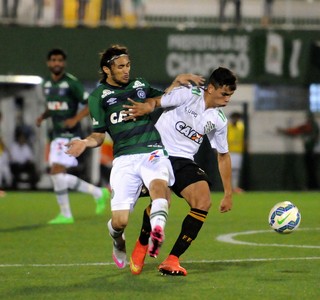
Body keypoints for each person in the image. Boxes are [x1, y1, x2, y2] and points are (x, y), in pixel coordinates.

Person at [65, 44, 204, 270]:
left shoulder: (140, 85)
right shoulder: (98, 97)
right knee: (120, 222)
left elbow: (163, 100)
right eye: (120, 67)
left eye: (128, 65)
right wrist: (84, 142)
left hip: (152, 150)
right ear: (107, 70)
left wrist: (177, 82)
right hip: (124, 159)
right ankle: (117, 241)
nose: (126, 70)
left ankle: (156, 233)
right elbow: (98, 136)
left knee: (160, 190)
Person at [123, 67, 236, 276]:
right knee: (163, 202)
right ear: (210, 88)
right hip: (158, 153)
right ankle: (141, 244)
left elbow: (223, 155)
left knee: (203, 201)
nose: (227, 99)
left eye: (230, 95)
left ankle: (172, 260)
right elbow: (157, 101)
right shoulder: (187, 94)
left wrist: (228, 193)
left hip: (184, 161)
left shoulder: (219, 119)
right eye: (224, 93)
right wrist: (147, 107)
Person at [36, 48, 110, 225]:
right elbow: (53, 106)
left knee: (56, 172)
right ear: (48, 63)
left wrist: (74, 118)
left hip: (70, 135)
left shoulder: (71, 83)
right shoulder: (47, 84)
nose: (57, 63)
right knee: (57, 175)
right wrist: (43, 116)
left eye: (60, 60)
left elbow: (89, 104)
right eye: (53, 60)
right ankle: (98, 193)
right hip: (55, 135)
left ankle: (67, 214)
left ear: (64, 63)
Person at [278, 111, 319, 190]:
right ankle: (312, 187)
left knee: (312, 170)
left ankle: (313, 187)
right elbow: (297, 130)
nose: (307, 119)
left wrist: (285, 131)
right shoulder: (309, 126)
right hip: (310, 152)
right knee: (310, 170)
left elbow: (300, 131)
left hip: (313, 152)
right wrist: (285, 131)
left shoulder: (312, 125)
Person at [227, 111, 245, 193]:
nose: (235, 119)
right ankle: (228, 188)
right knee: (228, 170)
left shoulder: (241, 127)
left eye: (237, 117)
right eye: (234, 117)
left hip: (238, 151)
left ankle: (234, 187)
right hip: (228, 151)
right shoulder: (227, 127)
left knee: (236, 170)